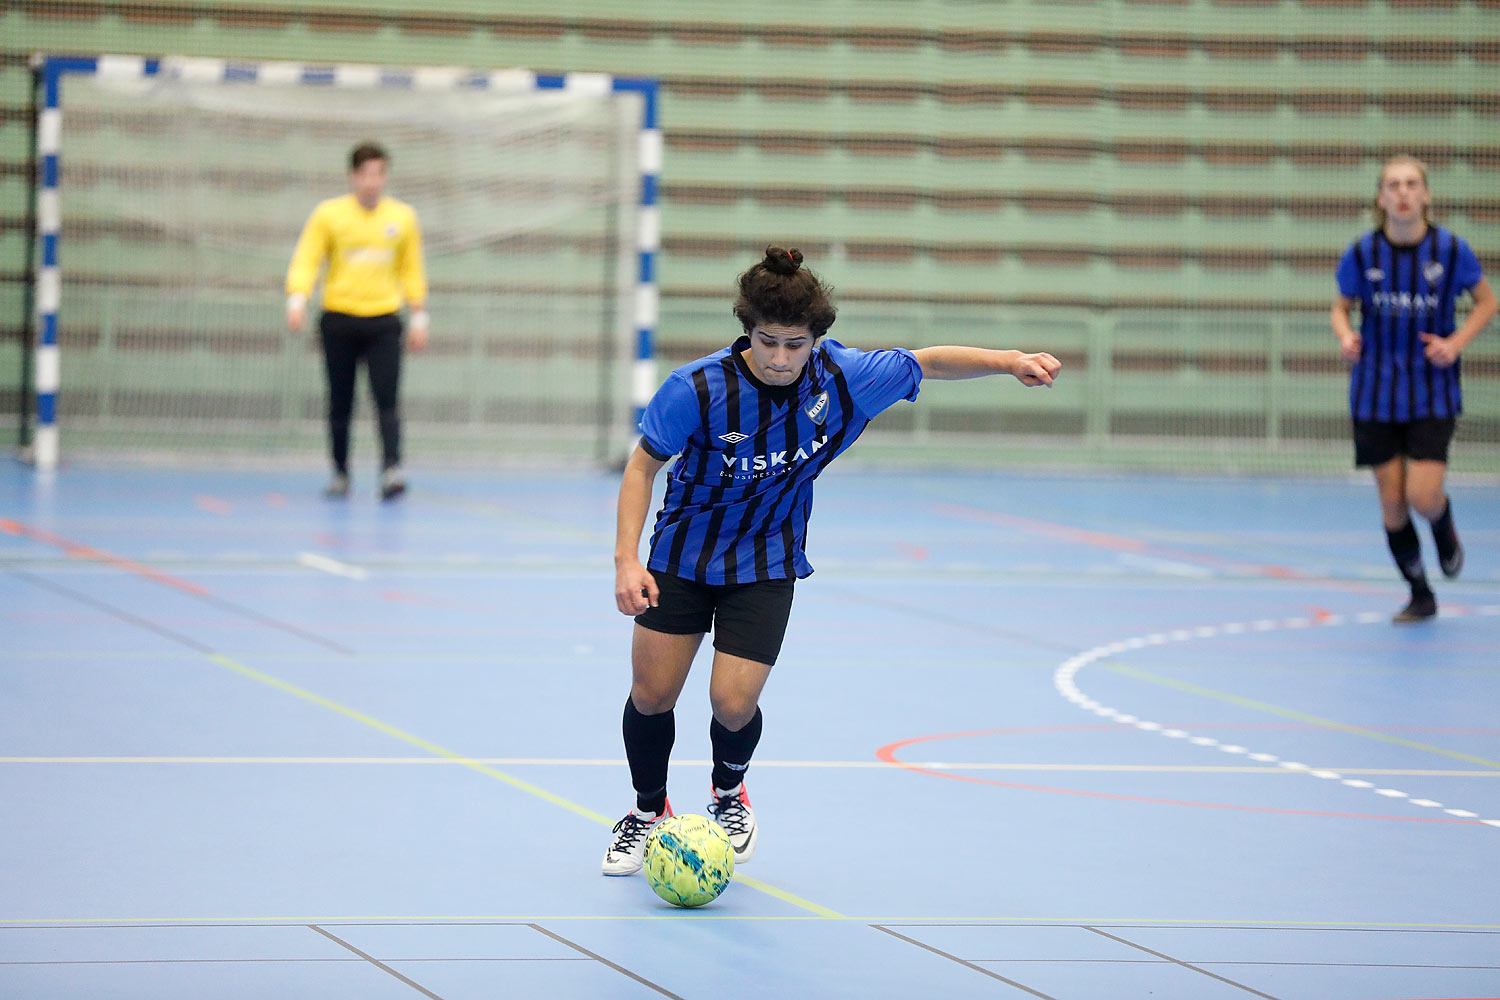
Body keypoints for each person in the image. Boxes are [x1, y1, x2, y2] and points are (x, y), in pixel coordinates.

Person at [601, 245, 1062, 875]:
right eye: (768, 342)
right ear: (747, 331)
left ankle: (729, 796)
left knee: (733, 703)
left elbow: (926, 362)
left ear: (817, 339)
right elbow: (641, 465)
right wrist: (628, 561)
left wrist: (1009, 362)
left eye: (796, 344)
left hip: (765, 560)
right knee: (652, 696)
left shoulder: (843, 378)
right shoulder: (697, 389)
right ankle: (647, 813)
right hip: (681, 557)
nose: (781, 358)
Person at [1332, 154, 1495, 623]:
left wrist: (1456, 342)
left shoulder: (1450, 251)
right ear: (1381, 198)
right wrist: (1346, 335)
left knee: (1423, 496)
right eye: (1392, 185)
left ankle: (1444, 527)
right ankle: (1420, 592)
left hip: (1431, 390)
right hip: (1374, 392)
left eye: (1410, 184)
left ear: (1425, 194)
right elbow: (1340, 307)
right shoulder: (1363, 253)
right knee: (1392, 501)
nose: (1402, 192)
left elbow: (1486, 302)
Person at [286, 141, 429, 501]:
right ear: (353, 176)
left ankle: (391, 470)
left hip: (383, 320)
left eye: (378, 174)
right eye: (365, 174)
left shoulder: (402, 218)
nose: (372, 182)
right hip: (339, 319)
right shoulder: (329, 215)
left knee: (387, 399)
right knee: (340, 401)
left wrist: (419, 316)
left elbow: (411, 268)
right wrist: (297, 298)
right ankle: (340, 472)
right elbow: (308, 258)